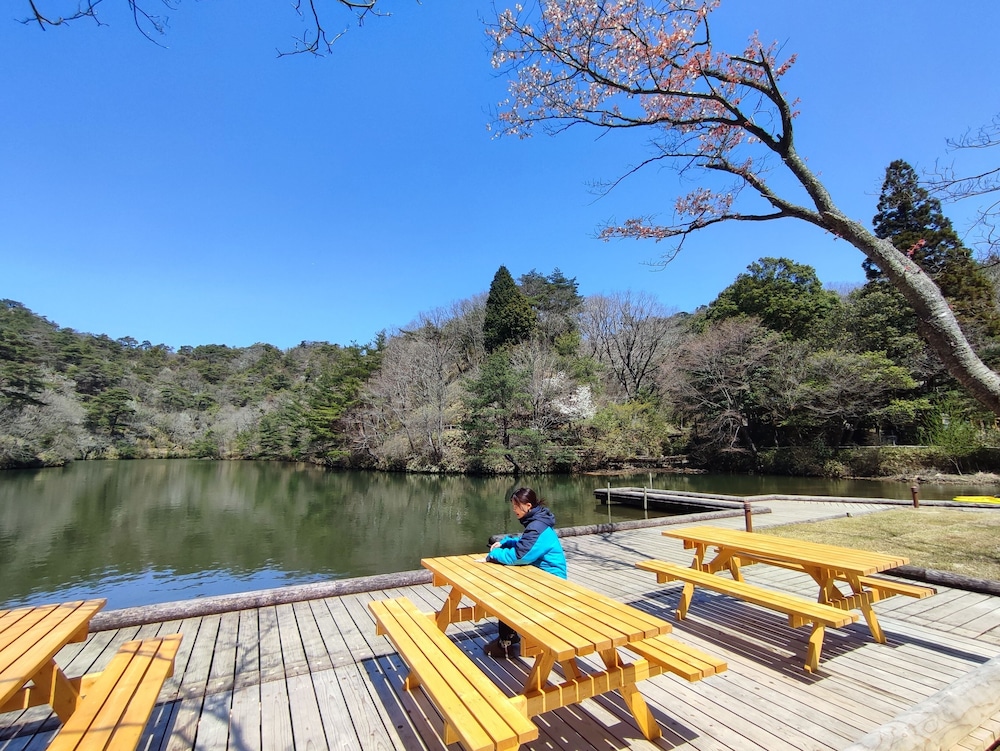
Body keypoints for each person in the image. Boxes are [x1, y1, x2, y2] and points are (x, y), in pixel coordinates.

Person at [483, 487, 567, 658]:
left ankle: (505, 642)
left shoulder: (537, 526)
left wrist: (493, 555)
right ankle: (509, 638)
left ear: (528, 506)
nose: (514, 510)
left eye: (516, 506)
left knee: (509, 594)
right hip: (540, 575)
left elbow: (520, 556)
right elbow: (525, 543)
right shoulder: (537, 522)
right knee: (509, 589)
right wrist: (505, 543)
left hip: (551, 581)